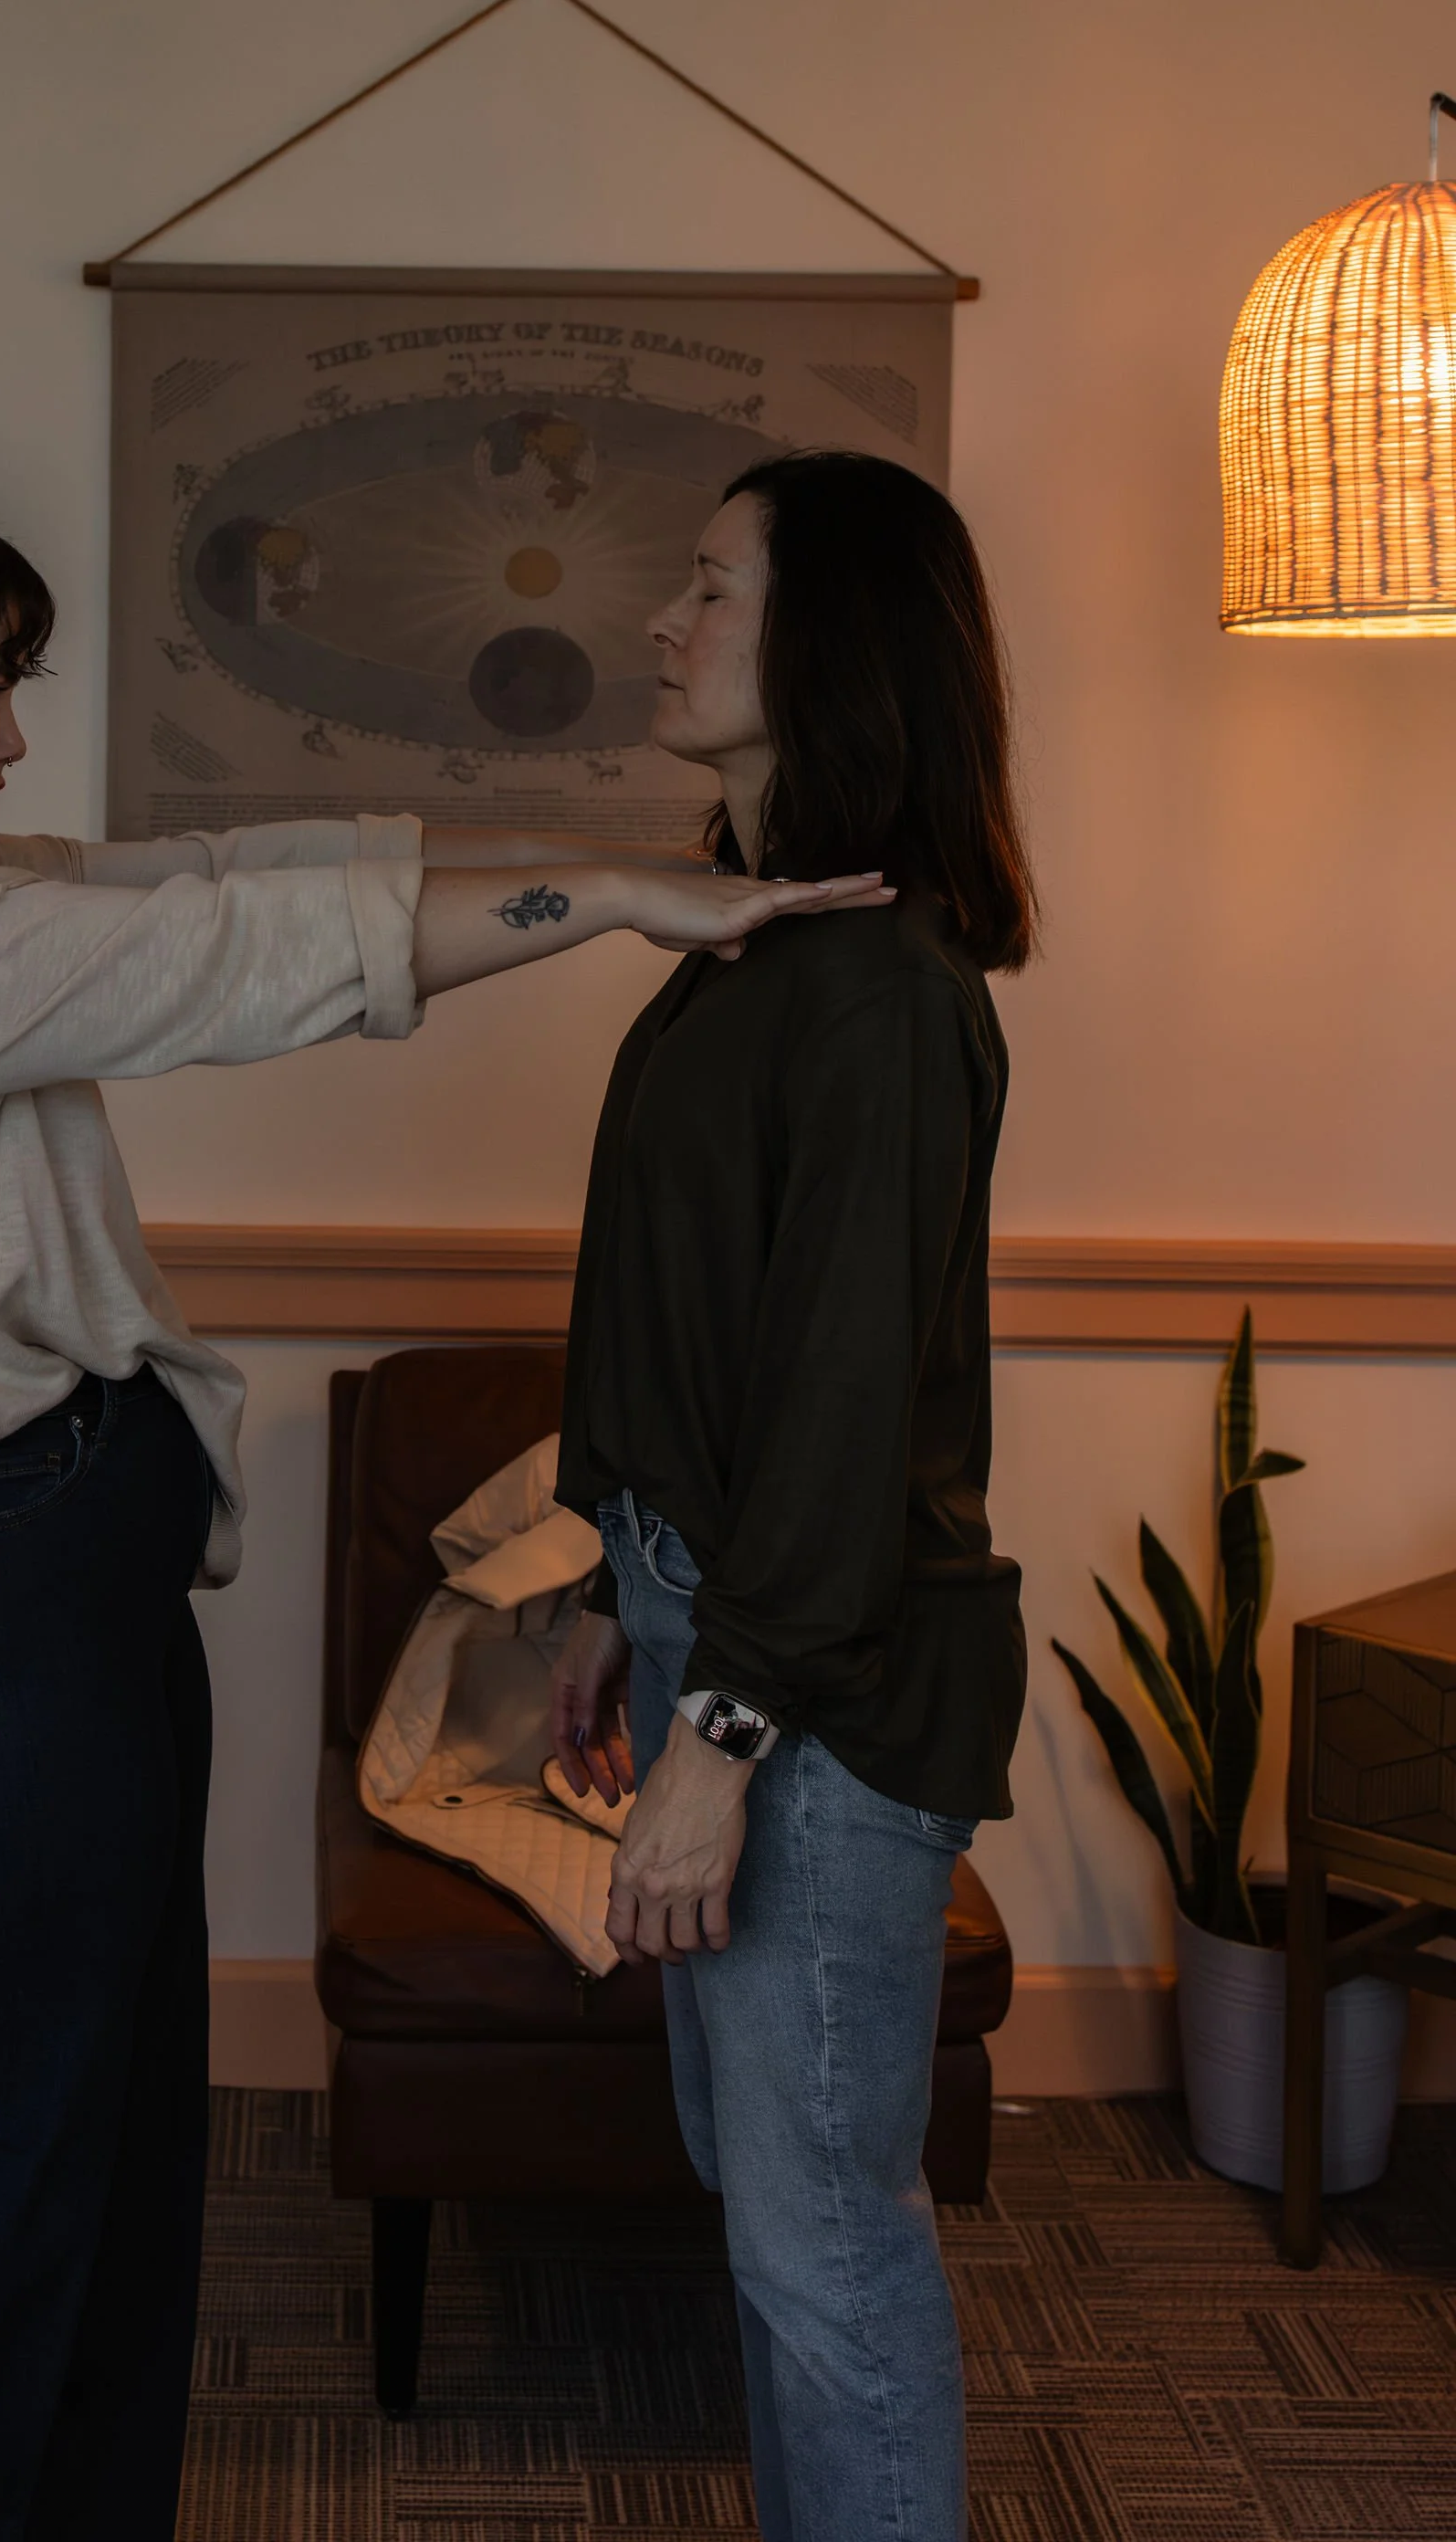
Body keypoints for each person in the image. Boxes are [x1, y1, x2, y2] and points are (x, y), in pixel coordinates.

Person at [0, 467, 886, 2542]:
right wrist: (628, 906)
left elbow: (228, 869)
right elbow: (238, 953)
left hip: (39, 1614)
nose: (13, 734)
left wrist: (612, 861)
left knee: (99, 2165)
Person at [550, 447, 1036, 2542]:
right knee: (773, 2212)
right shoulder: (752, 948)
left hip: (817, 1692)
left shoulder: (885, 995)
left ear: (831, 642)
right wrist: (600, 1580)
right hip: (702, 1620)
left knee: (829, 2250)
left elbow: (841, 1412)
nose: (665, 621)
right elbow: (671, 1304)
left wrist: (719, 1739)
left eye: (713, 587)